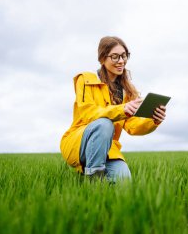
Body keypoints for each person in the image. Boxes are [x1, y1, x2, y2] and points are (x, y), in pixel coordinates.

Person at [60, 36, 167, 182]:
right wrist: (121, 109)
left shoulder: (127, 91)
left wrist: (153, 120)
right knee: (104, 124)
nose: (121, 61)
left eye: (124, 56)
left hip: (108, 148)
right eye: (115, 57)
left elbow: (132, 126)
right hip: (79, 142)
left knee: (124, 182)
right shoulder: (85, 79)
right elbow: (87, 113)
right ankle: (93, 180)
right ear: (102, 59)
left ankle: (93, 173)